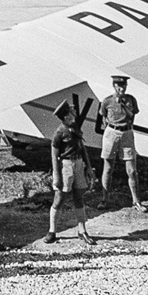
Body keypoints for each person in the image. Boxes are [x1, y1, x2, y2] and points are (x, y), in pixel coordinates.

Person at [99, 75, 148, 212]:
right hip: (111, 133)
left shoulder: (131, 100)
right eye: (119, 86)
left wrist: (126, 128)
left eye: (124, 86)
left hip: (127, 134)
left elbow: (133, 116)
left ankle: (136, 201)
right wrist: (113, 129)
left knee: (132, 170)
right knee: (108, 168)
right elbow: (103, 117)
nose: (122, 88)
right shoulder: (107, 101)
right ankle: (104, 199)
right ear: (114, 86)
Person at [45, 101, 92, 244]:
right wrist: (56, 176)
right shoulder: (59, 132)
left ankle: (82, 230)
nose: (74, 113)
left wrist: (88, 167)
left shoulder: (75, 128)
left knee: (79, 197)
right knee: (59, 198)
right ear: (66, 116)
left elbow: (82, 148)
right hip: (65, 166)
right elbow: (54, 154)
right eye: (71, 112)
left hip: (78, 164)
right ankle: (52, 231)